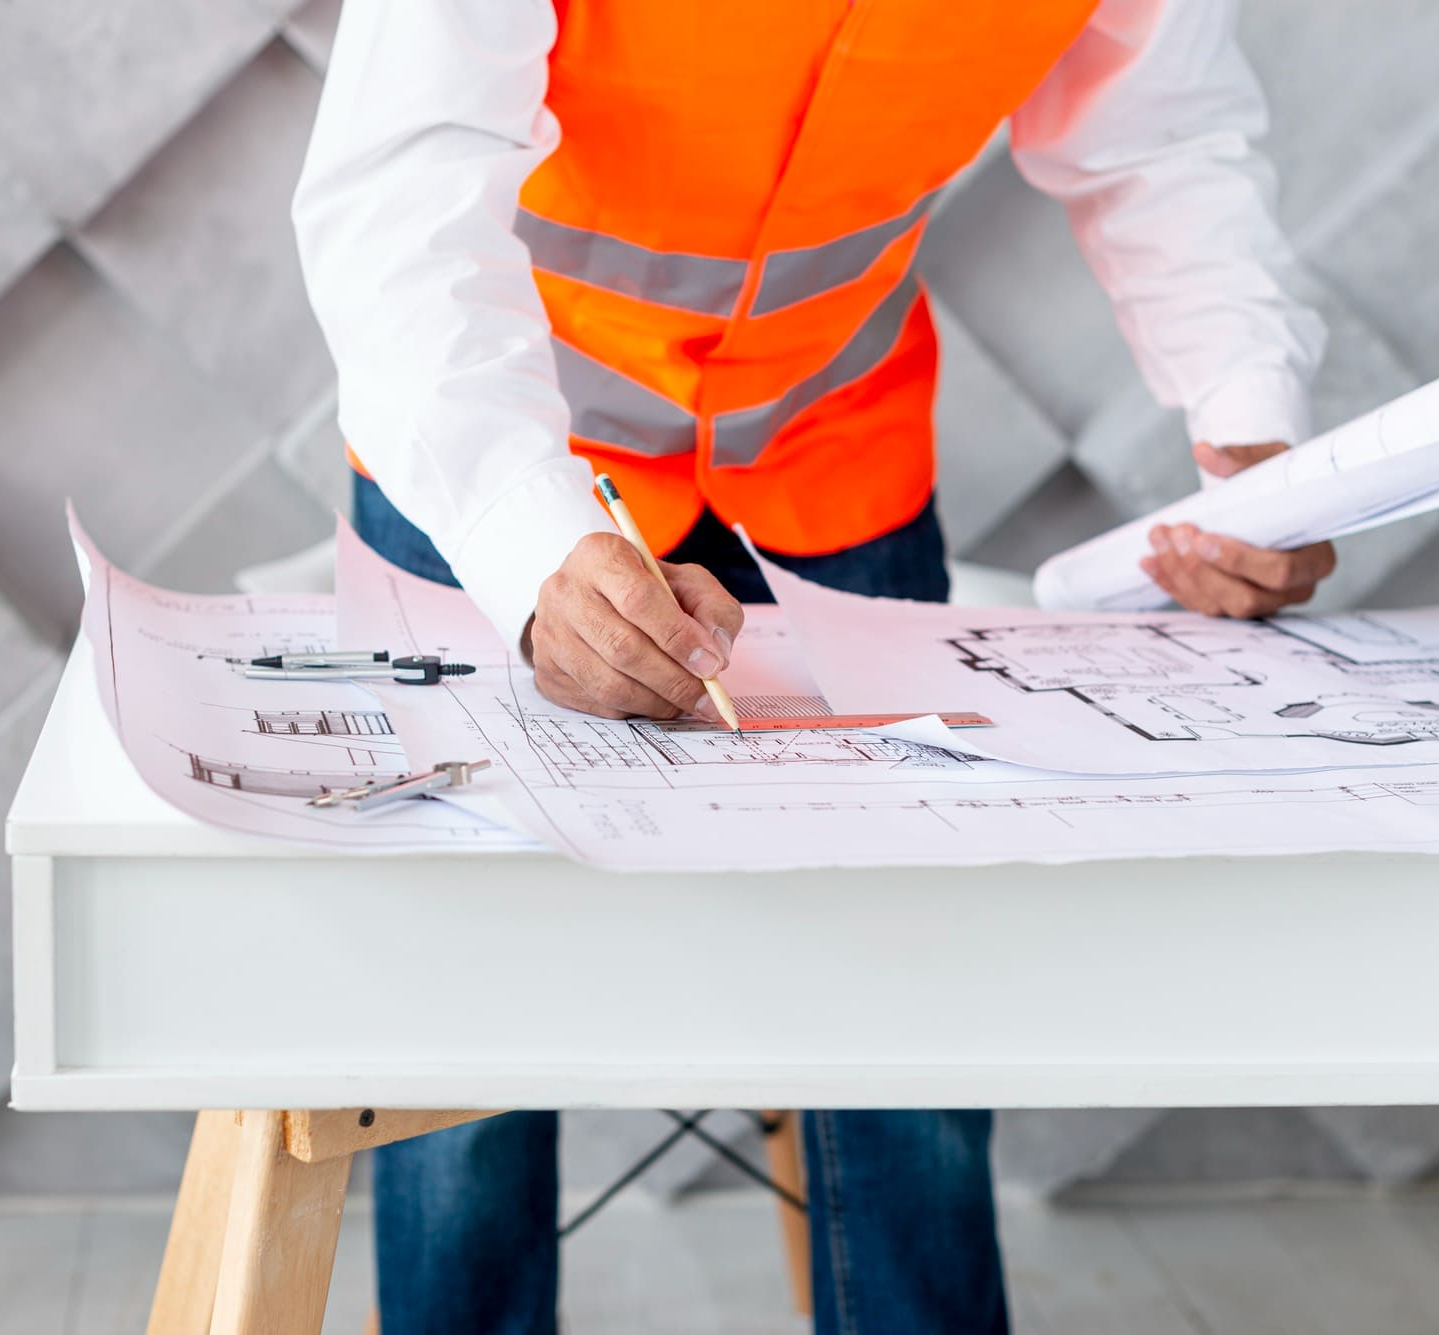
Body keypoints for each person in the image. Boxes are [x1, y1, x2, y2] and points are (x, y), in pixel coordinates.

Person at [293, 2, 1333, 1330]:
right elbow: (401, 190)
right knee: (460, 1038)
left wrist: (1255, 424)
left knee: (903, 1014)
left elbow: (1164, 132)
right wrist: (526, 539)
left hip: (830, 453)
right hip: (497, 455)